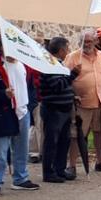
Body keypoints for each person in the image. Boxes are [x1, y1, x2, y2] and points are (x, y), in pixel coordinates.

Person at [0, 48, 40, 197]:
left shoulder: (24, 65)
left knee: (22, 148)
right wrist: (3, 94)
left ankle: (20, 178)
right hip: (2, 113)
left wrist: (29, 105)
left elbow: (30, 87)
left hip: (22, 111)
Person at [65, 29, 101, 174]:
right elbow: (63, 79)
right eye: (84, 41)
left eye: (89, 41)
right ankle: (72, 165)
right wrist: (72, 94)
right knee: (76, 135)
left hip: (99, 103)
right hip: (81, 104)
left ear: (95, 41)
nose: (86, 44)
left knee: (100, 134)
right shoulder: (73, 57)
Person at [38, 37, 77, 183]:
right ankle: (48, 172)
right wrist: (72, 75)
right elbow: (57, 86)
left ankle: (60, 170)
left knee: (63, 141)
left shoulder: (59, 65)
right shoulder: (50, 65)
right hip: (54, 110)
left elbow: (64, 86)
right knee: (51, 142)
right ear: (61, 50)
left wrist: (72, 96)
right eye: (67, 48)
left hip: (64, 109)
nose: (68, 51)